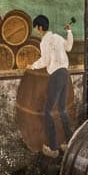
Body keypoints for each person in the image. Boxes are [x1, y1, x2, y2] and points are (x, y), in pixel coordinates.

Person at [29, 14, 74, 158]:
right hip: (65, 73)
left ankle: (53, 147)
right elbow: (69, 46)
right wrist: (69, 32)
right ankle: (70, 143)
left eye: (36, 28)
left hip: (55, 75)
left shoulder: (44, 42)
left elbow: (45, 60)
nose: (36, 30)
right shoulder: (58, 37)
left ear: (40, 28)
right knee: (61, 109)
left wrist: (33, 66)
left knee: (48, 110)